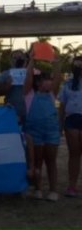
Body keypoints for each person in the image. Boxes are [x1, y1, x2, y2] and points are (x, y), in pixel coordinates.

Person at [23, 51, 61, 202]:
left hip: (51, 132)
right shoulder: (28, 94)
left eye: (50, 80)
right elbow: (28, 77)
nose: (50, 82)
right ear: (38, 82)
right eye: (47, 80)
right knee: (37, 161)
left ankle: (53, 190)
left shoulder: (52, 94)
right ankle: (37, 189)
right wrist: (31, 61)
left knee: (51, 160)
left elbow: (58, 78)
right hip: (34, 132)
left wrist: (56, 62)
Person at [59, 56, 82, 197]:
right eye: (76, 65)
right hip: (71, 120)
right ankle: (72, 186)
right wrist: (60, 124)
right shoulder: (67, 84)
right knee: (74, 154)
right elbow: (62, 106)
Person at [0, 50, 29, 121]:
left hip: (29, 110)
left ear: (25, 59)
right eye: (15, 58)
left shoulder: (32, 73)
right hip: (11, 109)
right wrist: (7, 85)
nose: (18, 59)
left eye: (20, 57)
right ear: (11, 60)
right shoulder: (5, 74)